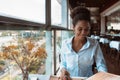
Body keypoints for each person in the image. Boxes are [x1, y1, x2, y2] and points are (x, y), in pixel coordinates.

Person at [59, 6, 107, 80]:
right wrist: (63, 70)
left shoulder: (94, 44)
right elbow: (63, 63)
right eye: (80, 29)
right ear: (73, 28)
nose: (83, 33)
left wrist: (104, 76)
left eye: (86, 29)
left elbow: (101, 64)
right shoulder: (65, 44)